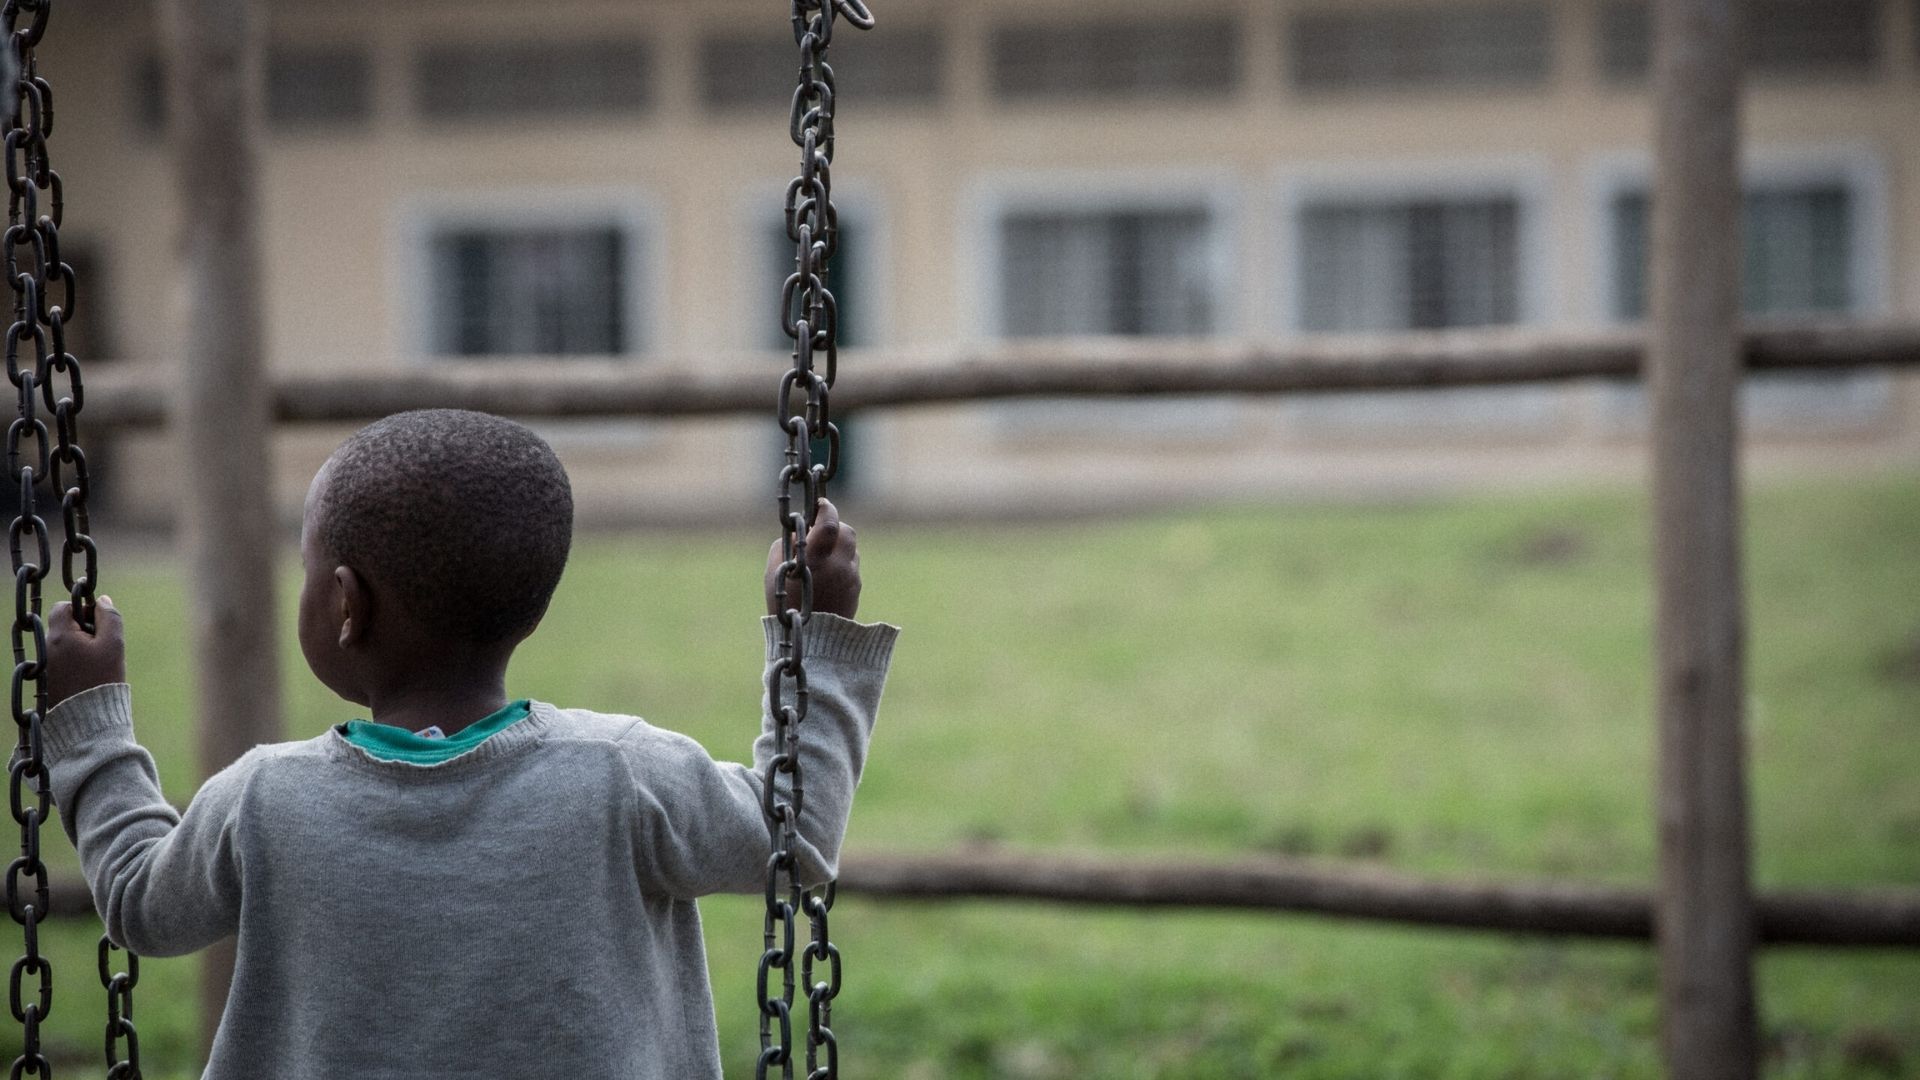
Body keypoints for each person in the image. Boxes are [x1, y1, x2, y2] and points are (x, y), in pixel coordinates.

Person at [40, 408, 898, 1080]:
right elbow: (792, 838)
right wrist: (814, 636)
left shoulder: (265, 800)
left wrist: (92, 718)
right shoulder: (622, 775)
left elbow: (141, 901)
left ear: (346, 605)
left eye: (306, 569)